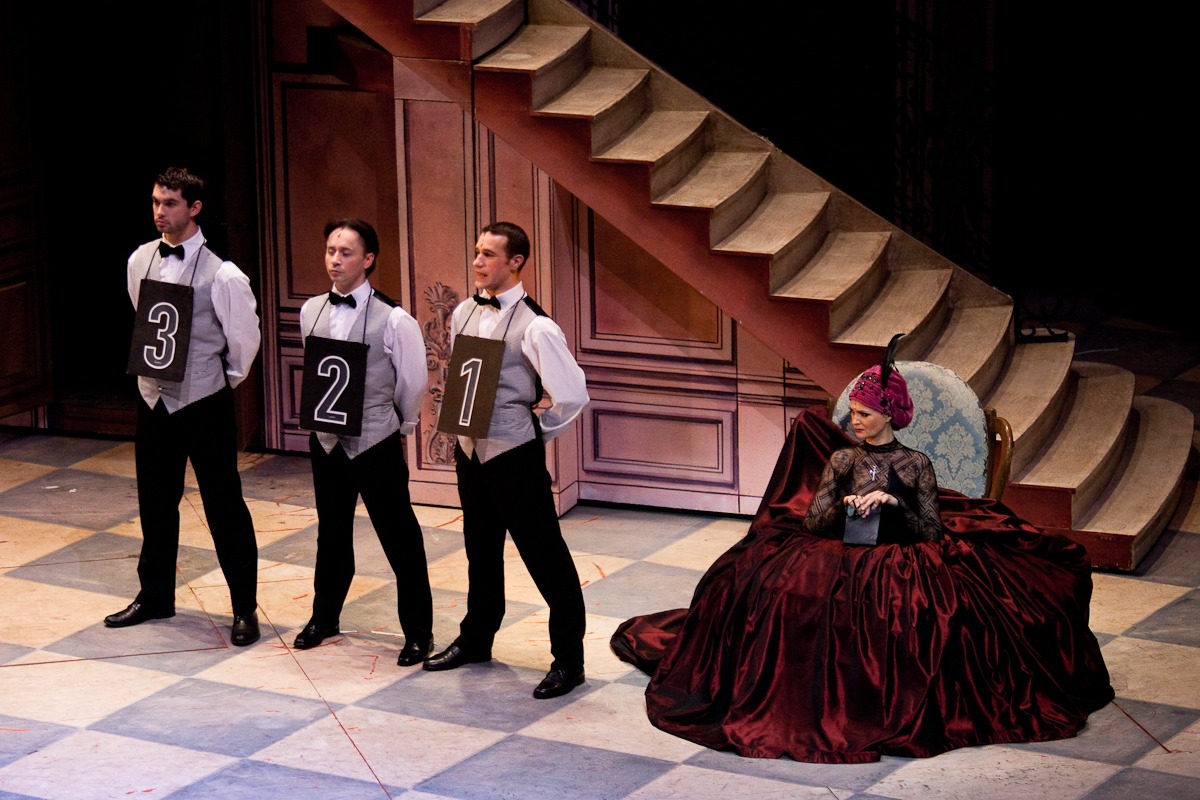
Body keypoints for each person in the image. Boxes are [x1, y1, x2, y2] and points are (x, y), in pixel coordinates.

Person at [612, 357, 1114, 763]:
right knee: (774, 582)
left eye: (865, 414)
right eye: (853, 411)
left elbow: (930, 529)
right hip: (845, 544)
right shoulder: (842, 459)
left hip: (899, 549)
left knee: (910, 602)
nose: (855, 421)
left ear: (890, 416)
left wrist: (892, 502)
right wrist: (843, 504)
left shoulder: (915, 463)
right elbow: (813, 522)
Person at [423, 221, 590, 700]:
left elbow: (572, 394)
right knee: (480, 551)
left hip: (514, 456)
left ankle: (569, 662)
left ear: (516, 262)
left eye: (489, 254)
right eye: (477, 252)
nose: (478, 262)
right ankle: (477, 639)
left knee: (545, 557)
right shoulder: (462, 312)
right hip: (471, 452)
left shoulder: (537, 326)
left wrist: (535, 431)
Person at [106, 167, 262, 646]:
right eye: (156, 201)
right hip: (153, 398)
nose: (160, 211)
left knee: (223, 504)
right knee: (155, 501)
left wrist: (216, 381)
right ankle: (155, 596)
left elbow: (244, 343)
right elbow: (142, 314)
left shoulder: (224, 275)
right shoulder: (140, 259)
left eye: (170, 203)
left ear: (194, 208)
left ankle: (243, 608)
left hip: (203, 400)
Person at [292, 218, 434, 666]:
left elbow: (412, 383)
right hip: (326, 441)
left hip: (374, 441)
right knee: (331, 533)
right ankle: (324, 617)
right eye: (330, 251)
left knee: (399, 537)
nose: (335, 260)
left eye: (346, 252)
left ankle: (419, 633)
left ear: (368, 259)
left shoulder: (395, 319)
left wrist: (398, 426)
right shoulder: (311, 310)